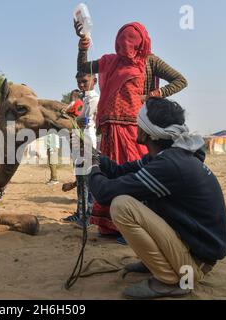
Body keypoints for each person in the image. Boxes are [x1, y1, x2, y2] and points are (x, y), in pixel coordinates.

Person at [86, 98, 226, 299]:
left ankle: (168, 279)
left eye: (139, 122)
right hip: (193, 252)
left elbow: (104, 193)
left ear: (146, 130)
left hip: (193, 266)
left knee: (122, 205)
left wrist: (89, 167)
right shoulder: (166, 157)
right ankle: (162, 264)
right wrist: (93, 155)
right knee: (138, 196)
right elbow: (118, 172)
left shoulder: (169, 165)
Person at [74, 21, 188, 237]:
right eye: (121, 42)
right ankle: (110, 225)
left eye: (131, 42)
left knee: (134, 174)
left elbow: (180, 80)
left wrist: (150, 96)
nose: (125, 46)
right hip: (108, 130)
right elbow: (83, 69)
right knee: (110, 173)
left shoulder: (149, 60)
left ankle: (134, 225)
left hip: (136, 130)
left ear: (140, 42)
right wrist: (83, 46)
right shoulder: (109, 61)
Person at [62, 72, 100, 227]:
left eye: (84, 81)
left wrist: (71, 117)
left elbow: (83, 119)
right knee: (80, 179)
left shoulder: (94, 99)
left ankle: (88, 216)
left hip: (88, 142)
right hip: (77, 141)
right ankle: (80, 212)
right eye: (79, 82)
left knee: (88, 181)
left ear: (95, 81)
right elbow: (70, 115)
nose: (81, 85)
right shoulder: (81, 98)